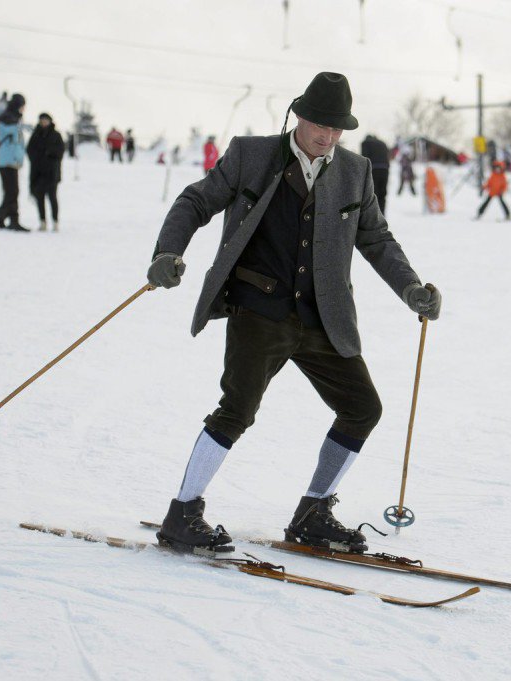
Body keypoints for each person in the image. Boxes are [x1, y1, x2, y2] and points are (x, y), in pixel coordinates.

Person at [145, 72, 441, 555]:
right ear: (299, 116)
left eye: (337, 127)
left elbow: (377, 239)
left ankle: (313, 512)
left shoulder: (355, 171)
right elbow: (195, 201)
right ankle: (182, 513)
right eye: (319, 124)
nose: (327, 135)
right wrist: (167, 252)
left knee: (363, 408)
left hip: (324, 316)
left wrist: (410, 288)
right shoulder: (252, 155)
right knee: (237, 411)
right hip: (259, 308)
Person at [0, 93, 30, 231]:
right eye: (22, 106)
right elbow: (13, 141)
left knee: (11, 191)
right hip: (6, 160)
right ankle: (3, 218)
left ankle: (6, 219)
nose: (23, 109)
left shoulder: (13, 119)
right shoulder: (8, 119)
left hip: (10, 161)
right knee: (12, 191)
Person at [26, 113, 65, 232]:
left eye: (45, 120)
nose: (43, 122)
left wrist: (49, 153)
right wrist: (37, 158)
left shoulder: (56, 135)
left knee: (52, 198)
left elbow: (60, 151)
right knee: (40, 198)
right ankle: (42, 222)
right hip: (38, 173)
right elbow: (29, 150)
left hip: (51, 173)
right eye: (41, 120)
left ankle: (55, 221)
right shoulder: (35, 135)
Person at [360, 134, 390, 213]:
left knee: (373, 194)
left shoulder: (366, 142)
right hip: (385, 169)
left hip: (374, 169)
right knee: (382, 194)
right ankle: (382, 214)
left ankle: (374, 217)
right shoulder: (383, 143)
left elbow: (364, 157)